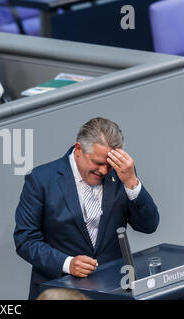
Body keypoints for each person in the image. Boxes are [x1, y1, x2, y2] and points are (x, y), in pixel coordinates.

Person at [13, 117, 159, 300]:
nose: (104, 171)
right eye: (98, 163)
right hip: (62, 291)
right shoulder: (41, 180)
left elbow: (149, 225)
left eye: (109, 164)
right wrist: (68, 263)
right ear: (79, 149)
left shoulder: (121, 173)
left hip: (115, 289)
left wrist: (131, 182)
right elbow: (25, 240)